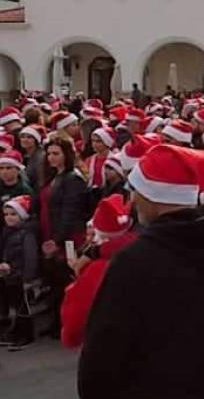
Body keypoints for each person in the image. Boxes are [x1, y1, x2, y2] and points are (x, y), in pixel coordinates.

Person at [79, 144, 204, 399]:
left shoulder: (137, 260)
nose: (131, 199)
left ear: (155, 196)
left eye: (136, 190)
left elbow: (106, 344)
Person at [60, 194, 137, 349]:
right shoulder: (143, 251)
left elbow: (77, 316)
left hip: (108, 344)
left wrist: (69, 336)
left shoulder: (96, 269)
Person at [37, 132, 89, 335]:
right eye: (49, 153)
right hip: (50, 232)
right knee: (54, 282)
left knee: (66, 282)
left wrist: (57, 240)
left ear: (67, 154)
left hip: (67, 238)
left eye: (56, 153)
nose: (51, 157)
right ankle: (56, 321)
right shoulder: (53, 177)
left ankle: (68, 324)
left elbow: (70, 212)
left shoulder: (73, 179)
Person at [0, 195, 39, 349]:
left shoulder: (26, 234)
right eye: (6, 214)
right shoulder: (7, 232)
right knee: (16, 305)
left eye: (13, 214)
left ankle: (25, 334)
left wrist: (28, 277)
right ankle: (17, 331)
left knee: (24, 306)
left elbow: (30, 257)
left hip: (21, 276)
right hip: (10, 274)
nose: (8, 218)